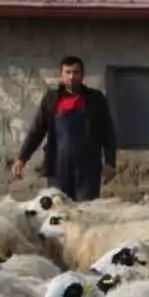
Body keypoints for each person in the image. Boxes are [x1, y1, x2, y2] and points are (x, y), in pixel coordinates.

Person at [11, 55, 117, 202]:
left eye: (76, 72)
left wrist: (110, 162)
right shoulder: (52, 99)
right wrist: (22, 158)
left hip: (87, 170)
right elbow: (37, 131)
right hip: (58, 168)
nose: (72, 76)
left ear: (82, 75)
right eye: (68, 72)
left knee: (85, 212)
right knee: (58, 213)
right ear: (61, 75)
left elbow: (108, 132)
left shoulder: (95, 99)